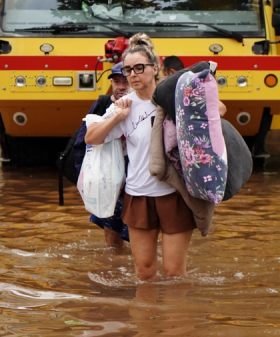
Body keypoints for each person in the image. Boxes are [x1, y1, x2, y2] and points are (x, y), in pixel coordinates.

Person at [85, 33, 198, 281]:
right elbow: (90, 137)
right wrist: (117, 118)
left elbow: (218, 109)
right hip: (138, 196)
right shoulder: (124, 105)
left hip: (174, 193)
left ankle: (175, 319)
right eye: (128, 70)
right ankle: (145, 320)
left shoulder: (174, 97)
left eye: (139, 68)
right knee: (144, 272)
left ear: (155, 68)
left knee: (174, 273)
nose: (133, 74)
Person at [74, 62, 130, 250]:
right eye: (116, 81)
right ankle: (114, 272)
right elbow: (83, 142)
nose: (121, 86)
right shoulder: (103, 104)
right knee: (112, 242)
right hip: (110, 183)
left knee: (142, 239)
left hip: (137, 182)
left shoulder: (148, 105)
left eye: (126, 81)